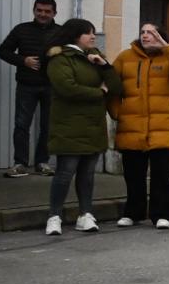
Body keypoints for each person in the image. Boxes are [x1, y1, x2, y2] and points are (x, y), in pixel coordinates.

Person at [109, 23, 169, 230]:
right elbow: (111, 86)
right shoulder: (125, 57)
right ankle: (133, 212)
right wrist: (117, 113)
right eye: (143, 32)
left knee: (163, 175)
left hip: (163, 126)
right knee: (133, 175)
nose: (146, 36)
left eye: (151, 32)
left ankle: (163, 214)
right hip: (132, 126)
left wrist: (168, 47)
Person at [41, 19, 123, 235]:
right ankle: (54, 216)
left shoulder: (95, 56)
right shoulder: (60, 58)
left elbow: (116, 86)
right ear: (75, 35)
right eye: (88, 33)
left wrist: (104, 66)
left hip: (93, 124)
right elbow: (67, 88)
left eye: (93, 33)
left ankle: (85, 214)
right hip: (68, 125)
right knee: (65, 172)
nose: (93, 37)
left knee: (87, 174)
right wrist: (100, 92)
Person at [0, 0, 59, 177]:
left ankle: (42, 163)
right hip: (26, 85)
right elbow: (3, 51)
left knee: (48, 126)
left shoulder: (62, 32)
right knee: (21, 125)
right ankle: (20, 164)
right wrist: (23, 60)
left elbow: (69, 55)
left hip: (51, 86)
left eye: (47, 11)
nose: (42, 14)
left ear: (54, 13)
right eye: (39, 10)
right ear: (34, 10)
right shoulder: (21, 30)